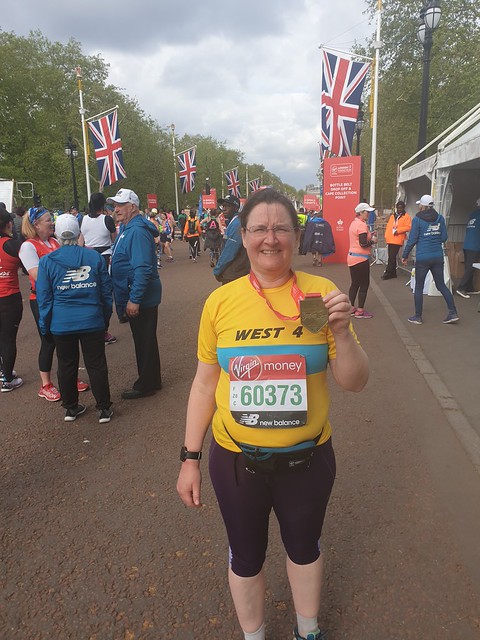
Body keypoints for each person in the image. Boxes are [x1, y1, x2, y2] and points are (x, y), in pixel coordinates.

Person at [177, 188, 369, 640]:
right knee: (245, 555)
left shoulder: (318, 297)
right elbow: (205, 383)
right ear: (242, 237)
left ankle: (308, 630)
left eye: (281, 227)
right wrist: (189, 458)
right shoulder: (221, 303)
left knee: (304, 548)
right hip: (236, 460)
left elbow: (354, 380)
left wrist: (342, 336)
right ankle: (254, 635)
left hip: (308, 460)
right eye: (259, 228)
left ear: (296, 235)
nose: (271, 238)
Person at [36, 215, 113, 423]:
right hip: (92, 320)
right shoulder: (94, 258)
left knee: (67, 364)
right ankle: (104, 408)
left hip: (62, 323)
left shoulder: (47, 262)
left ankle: (70, 408)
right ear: (79, 233)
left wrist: (45, 326)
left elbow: (44, 298)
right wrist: (105, 317)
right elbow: (106, 292)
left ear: (57, 235)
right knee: (96, 364)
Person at [19, 206, 89, 401]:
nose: (53, 222)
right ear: (36, 224)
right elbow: (37, 275)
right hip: (41, 298)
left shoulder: (54, 242)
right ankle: (46, 384)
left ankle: (69, 378)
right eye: (49, 219)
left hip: (60, 296)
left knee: (66, 338)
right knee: (48, 340)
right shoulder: (28, 246)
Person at [109, 188, 162, 399]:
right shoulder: (128, 227)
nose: (116, 209)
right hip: (136, 292)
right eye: (114, 205)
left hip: (140, 295)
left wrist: (134, 299)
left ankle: (146, 384)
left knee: (144, 340)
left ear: (133, 207)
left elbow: (142, 268)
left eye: (120, 205)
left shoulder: (137, 231)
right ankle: (151, 379)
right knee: (144, 339)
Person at [401, 194, 459, 324]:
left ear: (422, 206)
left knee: (419, 287)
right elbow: (444, 237)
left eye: (419, 204)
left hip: (423, 257)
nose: (419, 206)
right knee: (441, 285)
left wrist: (405, 255)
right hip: (437, 256)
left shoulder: (417, 220)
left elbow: (412, 240)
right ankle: (453, 312)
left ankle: (418, 316)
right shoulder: (440, 218)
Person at [79, 192, 117, 345]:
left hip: (88, 256)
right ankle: (104, 331)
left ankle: (91, 328)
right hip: (104, 256)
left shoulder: (84, 219)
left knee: (90, 292)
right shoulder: (106, 219)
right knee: (105, 294)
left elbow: (81, 238)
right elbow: (114, 236)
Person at [0, 208, 24, 391]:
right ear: (9, 223)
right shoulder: (12, 245)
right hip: (9, 298)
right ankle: (7, 379)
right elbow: (27, 267)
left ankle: (4, 372)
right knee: (8, 339)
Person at [347, 203, 377, 319]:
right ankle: (360, 311)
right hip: (361, 259)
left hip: (352, 258)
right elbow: (363, 243)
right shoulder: (362, 225)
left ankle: (350, 307)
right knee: (364, 284)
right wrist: (373, 241)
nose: (368, 214)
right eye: (367, 212)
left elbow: (360, 239)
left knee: (354, 283)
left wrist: (370, 236)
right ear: (361, 212)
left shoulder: (353, 223)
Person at [213, 194, 250, 283]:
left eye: (228, 206)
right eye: (223, 206)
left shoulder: (237, 224)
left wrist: (217, 270)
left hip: (234, 273)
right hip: (236, 272)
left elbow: (229, 251)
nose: (224, 209)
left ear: (236, 209)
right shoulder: (234, 222)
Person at [455, 197, 480, 298]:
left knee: (469, 267)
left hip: (467, 245)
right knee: (470, 268)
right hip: (475, 246)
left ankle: (469, 288)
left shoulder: (473, 215)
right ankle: (461, 288)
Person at [382, 200, 412, 280]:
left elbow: (408, 227)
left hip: (398, 239)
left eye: (401, 208)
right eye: (398, 208)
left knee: (391, 257)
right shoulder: (393, 216)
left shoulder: (406, 217)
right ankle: (393, 273)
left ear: (403, 208)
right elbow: (389, 226)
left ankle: (388, 273)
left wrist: (398, 231)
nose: (399, 209)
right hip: (390, 238)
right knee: (392, 256)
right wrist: (386, 235)